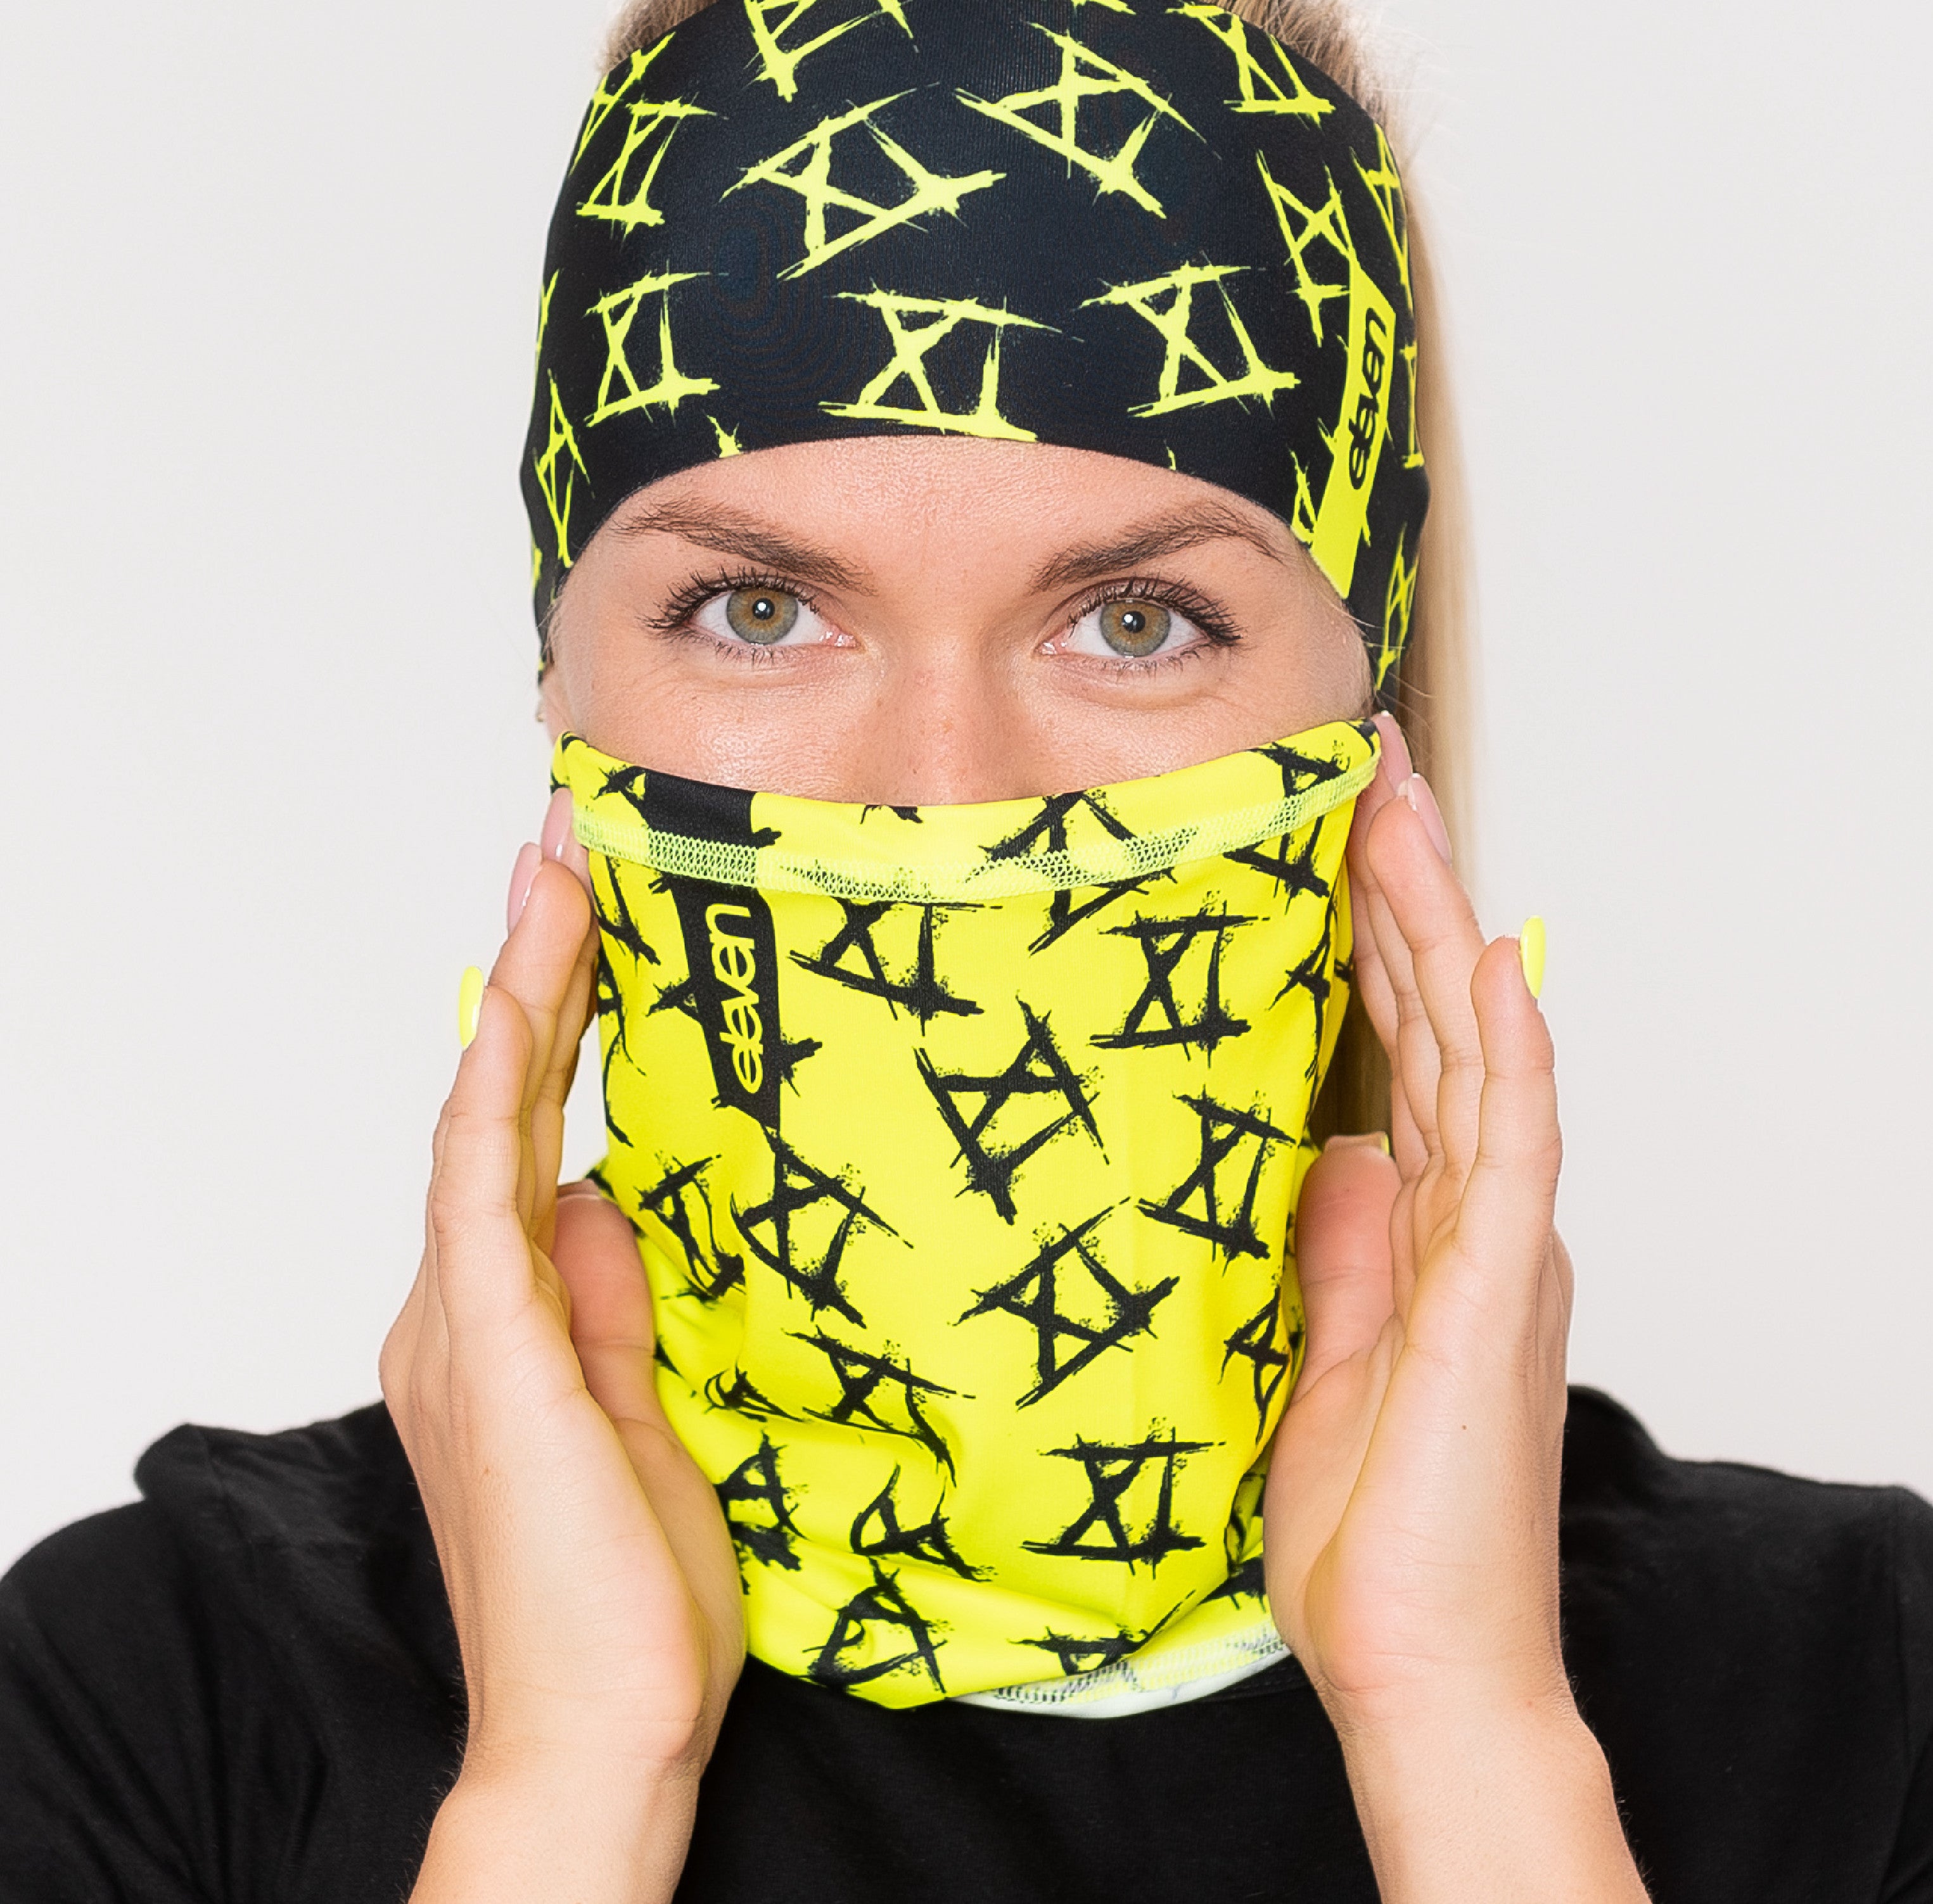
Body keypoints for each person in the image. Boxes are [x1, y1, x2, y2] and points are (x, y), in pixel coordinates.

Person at [2, 1, 1929, 1900]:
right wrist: (567, 1783)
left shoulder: (1866, 1694)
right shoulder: (150, 1703)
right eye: (758, 610)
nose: (942, 796)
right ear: (559, 683)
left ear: (1371, 731)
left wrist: (1466, 1729)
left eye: (1137, 621)